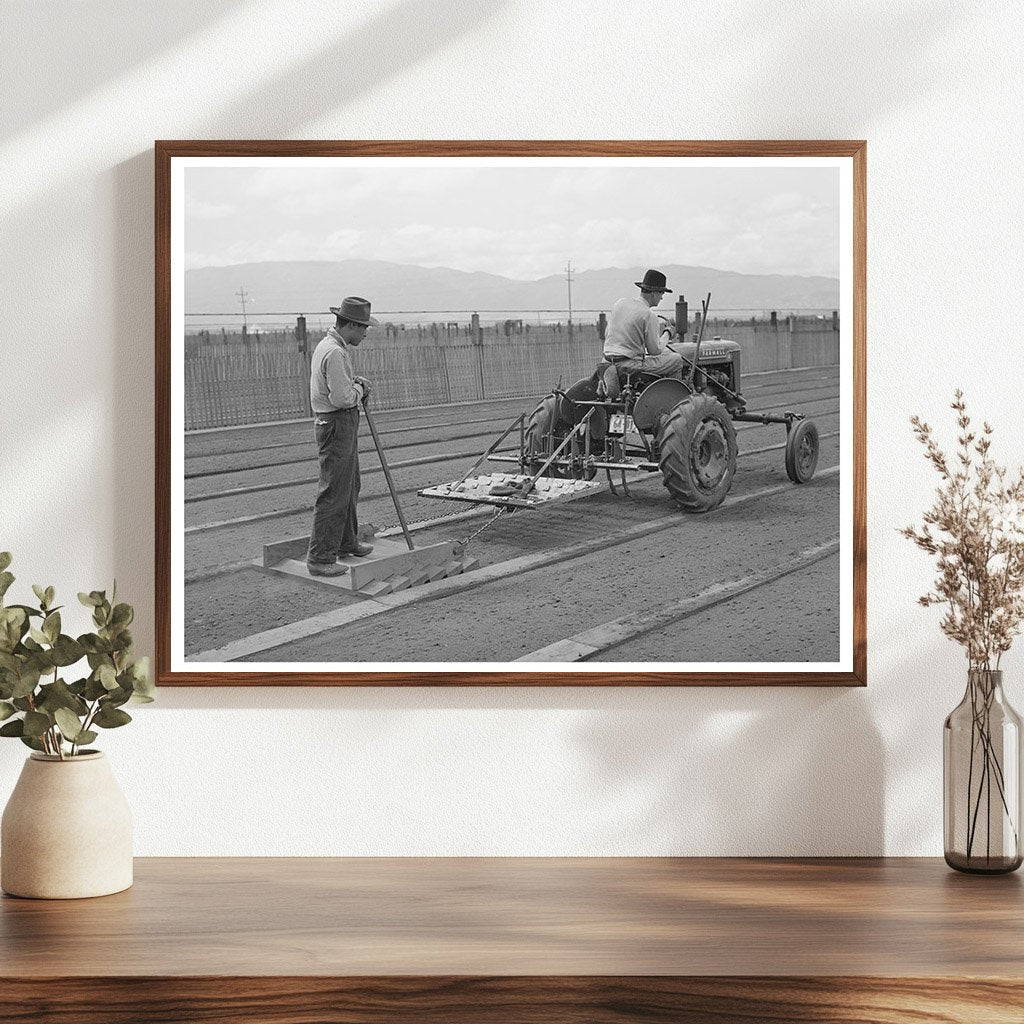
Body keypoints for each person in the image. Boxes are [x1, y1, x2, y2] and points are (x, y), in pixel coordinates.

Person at [305, 296, 378, 578]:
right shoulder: (334, 352)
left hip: (339, 423)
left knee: (350, 485)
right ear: (348, 325)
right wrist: (359, 390)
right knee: (334, 492)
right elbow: (343, 397)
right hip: (336, 424)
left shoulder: (333, 347)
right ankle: (321, 558)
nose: (365, 333)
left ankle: (346, 542)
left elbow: (340, 386)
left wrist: (355, 382)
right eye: (362, 328)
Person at [602, 269, 684, 380]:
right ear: (654, 293)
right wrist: (668, 332)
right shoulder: (649, 315)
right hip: (629, 366)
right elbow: (655, 351)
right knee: (677, 359)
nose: (662, 297)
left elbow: (608, 333)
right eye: (662, 293)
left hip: (606, 362)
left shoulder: (620, 304)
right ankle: (675, 395)